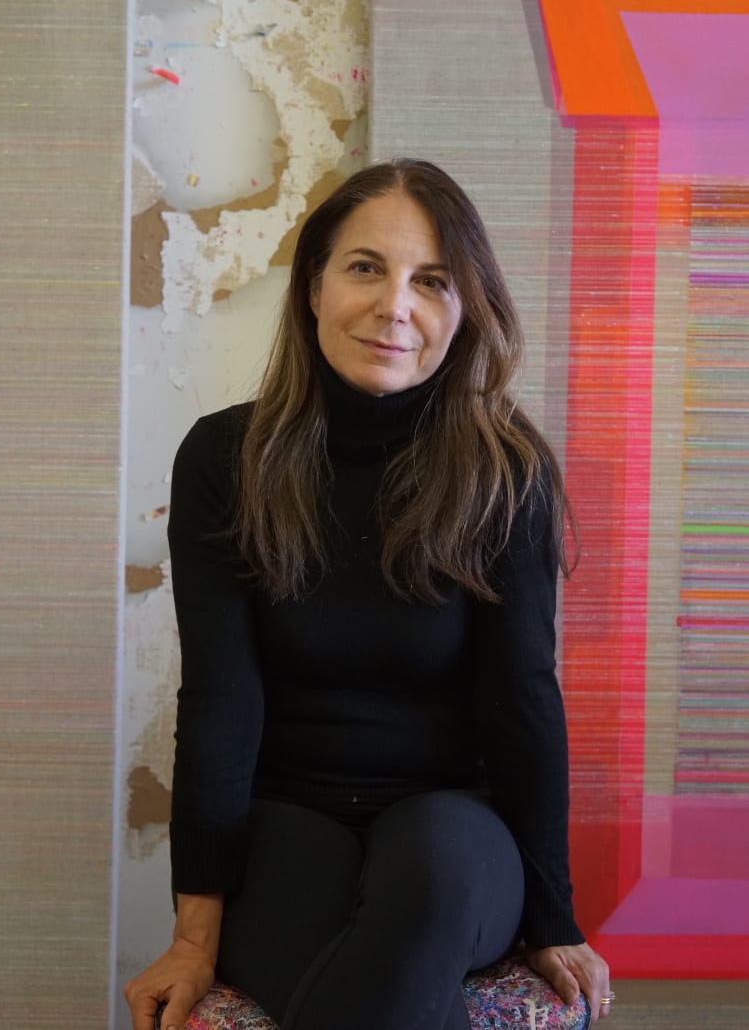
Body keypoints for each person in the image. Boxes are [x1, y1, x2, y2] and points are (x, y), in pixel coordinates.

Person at [125, 158, 611, 1030]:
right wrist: (194, 938)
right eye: (364, 268)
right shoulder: (223, 460)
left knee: (426, 877)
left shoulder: (507, 471)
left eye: (432, 280)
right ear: (313, 286)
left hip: (457, 832)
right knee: (383, 990)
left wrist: (554, 920)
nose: (395, 306)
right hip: (284, 826)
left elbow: (522, 700)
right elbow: (220, 705)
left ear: (464, 311)